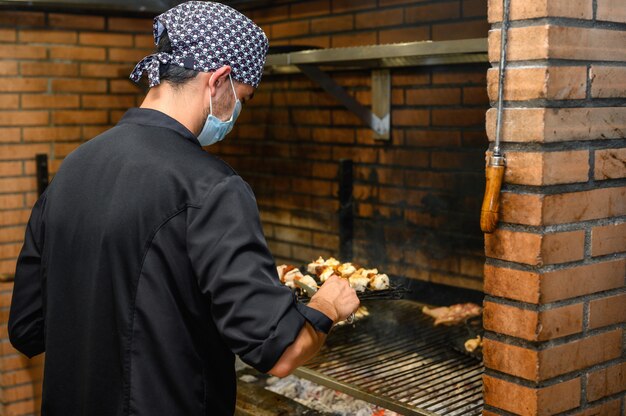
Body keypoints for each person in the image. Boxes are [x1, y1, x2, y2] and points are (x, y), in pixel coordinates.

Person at [8, 2, 359, 415]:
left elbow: (28, 328)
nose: (237, 112)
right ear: (220, 80)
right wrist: (327, 306)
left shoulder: (72, 169)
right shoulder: (212, 187)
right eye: (242, 97)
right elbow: (281, 351)